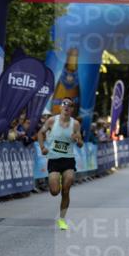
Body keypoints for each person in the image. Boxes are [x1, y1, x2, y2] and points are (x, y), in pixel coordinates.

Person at [37, 97, 84, 230]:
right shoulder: (52, 121)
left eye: (70, 105)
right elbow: (40, 133)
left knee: (66, 188)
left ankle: (62, 219)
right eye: (64, 103)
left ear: (72, 109)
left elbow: (81, 144)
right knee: (54, 191)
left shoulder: (75, 124)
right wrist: (42, 147)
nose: (67, 106)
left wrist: (77, 140)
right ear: (60, 107)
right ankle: (57, 182)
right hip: (54, 159)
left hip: (68, 159)